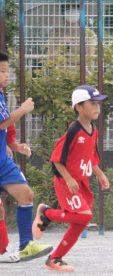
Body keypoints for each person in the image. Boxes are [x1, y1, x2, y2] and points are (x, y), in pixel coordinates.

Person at [32, 85, 110, 272]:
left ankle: (55, 258)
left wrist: (100, 174)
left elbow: (91, 159)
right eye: (92, 103)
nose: (97, 107)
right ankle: (47, 213)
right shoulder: (74, 130)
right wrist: (68, 179)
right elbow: (56, 159)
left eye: (98, 104)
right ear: (79, 107)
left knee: (80, 222)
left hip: (81, 182)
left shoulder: (93, 130)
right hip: (66, 181)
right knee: (85, 216)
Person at [0, 51, 53, 262]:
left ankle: (26, 246)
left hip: (3, 162)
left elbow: (4, 128)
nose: (6, 75)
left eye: (7, 71)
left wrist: (13, 145)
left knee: (26, 195)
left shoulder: (1, 94)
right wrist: (22, 110)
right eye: (2, 71)